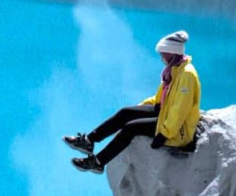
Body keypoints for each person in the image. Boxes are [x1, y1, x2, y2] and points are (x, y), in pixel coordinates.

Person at [63, 30, 201, 174]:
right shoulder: (175, 69)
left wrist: (164, 134)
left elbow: (180, 110)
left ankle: (98, 162)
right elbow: (161, 98)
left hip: (179, 131)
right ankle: (89, 141)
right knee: (125, 113)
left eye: (163, 53)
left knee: (130, 128)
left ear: (172, 52)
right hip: (164, 113)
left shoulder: (186, 75)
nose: (161, 57)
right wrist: (139, 109)